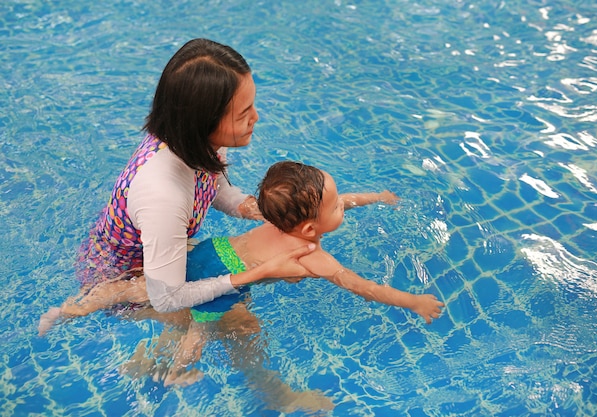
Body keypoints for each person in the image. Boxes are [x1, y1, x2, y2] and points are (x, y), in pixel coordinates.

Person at [41, 161, 445, 388]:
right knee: (201, 331)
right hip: (228, 280)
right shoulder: (311, 254)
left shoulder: (276, 216)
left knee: (134, 288)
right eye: (338, 206)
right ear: (310, 230)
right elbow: (364, 287)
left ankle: (64, 311)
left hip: (212, 252)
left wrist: (374, 197)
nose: (345, 205)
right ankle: (175, 371)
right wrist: (415, 302)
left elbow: (339, 202)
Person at [68, 39, 316, 316]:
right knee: (237, 318)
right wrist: (259, 273)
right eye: (243, 114)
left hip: (160, 253)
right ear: (203, 121)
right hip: (125, 281)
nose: (256, 117)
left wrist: (252, 209)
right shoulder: (164, 194)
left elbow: (211, 184)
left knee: (235, 296)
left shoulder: (190, 139)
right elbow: (166, 299)